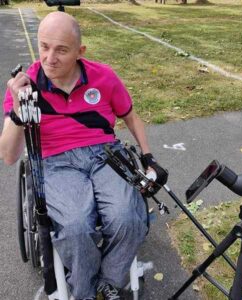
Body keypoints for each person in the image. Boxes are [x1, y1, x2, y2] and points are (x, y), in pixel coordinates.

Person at [0, 12, 167, 300]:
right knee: (76, 226)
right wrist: (17, 110)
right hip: (55, 161)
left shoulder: (103, 76)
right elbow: (9, 156)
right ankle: (84, 291)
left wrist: (149, 158)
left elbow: (131, 117)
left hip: (105, 156)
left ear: (80, 52)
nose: (49, 58)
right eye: (44, 47)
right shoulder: (25, 87)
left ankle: (110, 281)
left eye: (61, 50)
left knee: (128, 217)